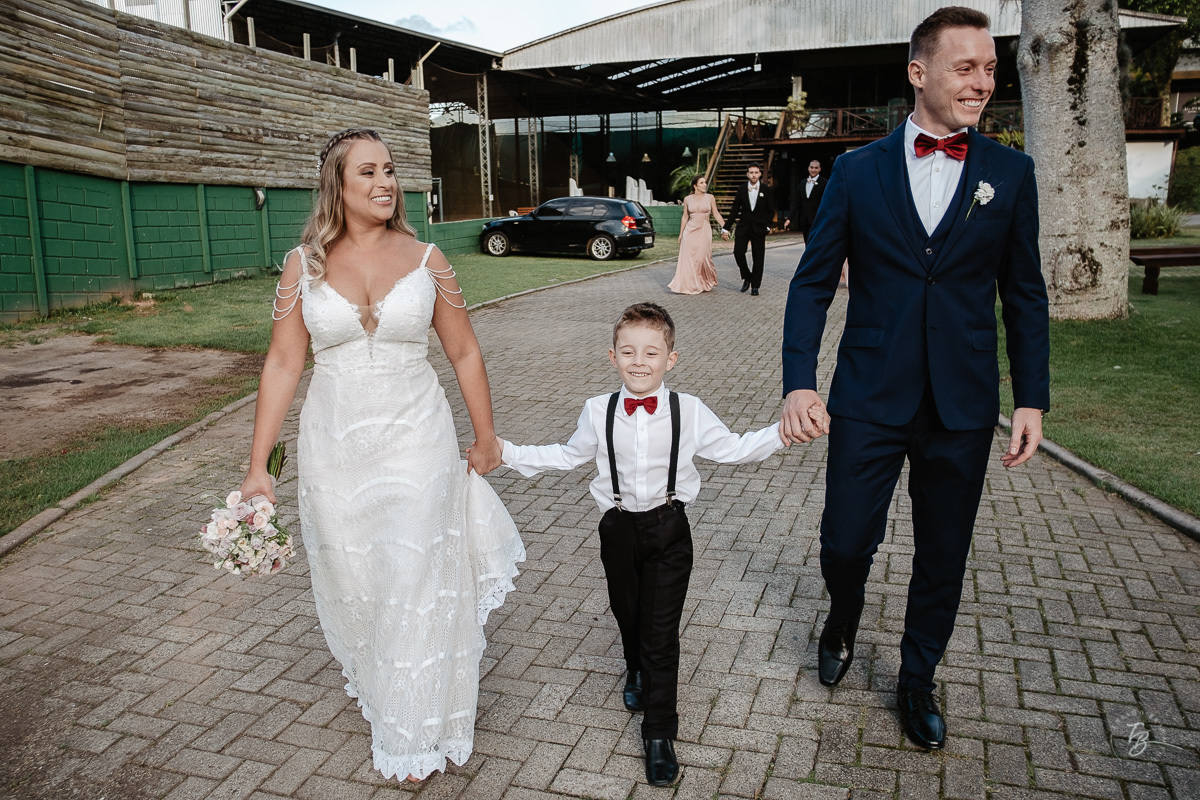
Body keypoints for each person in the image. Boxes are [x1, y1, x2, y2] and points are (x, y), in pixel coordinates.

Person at [779, 6, 1049, 751]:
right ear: (918, 72)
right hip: (868, 394)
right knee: (843, 542)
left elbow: (1023, 293)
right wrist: (799, 382)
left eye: (990, 68)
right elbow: (810, 285)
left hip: (962, 403)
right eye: (967, 67)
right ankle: (842, 614)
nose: (983, 83)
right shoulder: (856, 172)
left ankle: (916, 677)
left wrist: (1031, 396)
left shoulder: (1010, 173)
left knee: (943, 552)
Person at [239, 128, 525, 782]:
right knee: (360, 585)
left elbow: (464, 353)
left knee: (412, 578)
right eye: (367, 172)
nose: (384, 182)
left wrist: (486, 438)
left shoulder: (428, 260)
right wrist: (258, 467)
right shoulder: (301, 265)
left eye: (390, 170)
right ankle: (388, 692)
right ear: (336, 185)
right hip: (335, 452)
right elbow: (284, 364)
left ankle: (411, 734)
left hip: (416, 441)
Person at [497, 303, 826, 786]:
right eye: (628, 351)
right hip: (618, 528)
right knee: (627, 613)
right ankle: (633, 668)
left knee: (660, 633)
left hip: (670, 531)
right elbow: (567, 456)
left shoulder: (688, 410)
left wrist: (783, 434)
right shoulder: (597, 409)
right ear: (612, 357)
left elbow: (733, 448)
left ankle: (658, 732)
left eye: (651, 352)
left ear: (670, 359)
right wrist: (504, 452)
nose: (639, 361)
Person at [668, 175, 729, 294]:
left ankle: (704, 281)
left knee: (702, 258)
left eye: (705, 182)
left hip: (704, 231)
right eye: (702, 183)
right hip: (689, 232)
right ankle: (691, 285)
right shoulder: (687, 199)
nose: (705, 185)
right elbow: (685, 216)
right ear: (695, 186)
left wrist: (725, 227)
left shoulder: (710, 198)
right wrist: (681, 234)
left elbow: (716, 214)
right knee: (689, 259)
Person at [721, 163, 775, 295]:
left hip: (759, 228)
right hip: (743, 227)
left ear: (760, 174)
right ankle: (747, 277)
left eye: (756, 172)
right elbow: (734, 210)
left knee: (758, 258)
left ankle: (755, 286)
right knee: (738, 252)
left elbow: (771, 211)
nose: (754, 175)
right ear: (747, 174)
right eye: (751, 172)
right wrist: (726, 228)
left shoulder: (766, 189)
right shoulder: (741, 189)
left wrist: (767, 226)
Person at [784, 158, 826, 241]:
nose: (813, 170)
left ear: (820, 169)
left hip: (817, 219)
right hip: (804, 220)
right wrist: (789, 219)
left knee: (815, 243)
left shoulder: (824, 183)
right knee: (807, 242)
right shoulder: (802, 183)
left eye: (816, 168)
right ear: (808, 168)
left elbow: (827, 203)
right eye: (812, 167)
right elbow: (797, 202)